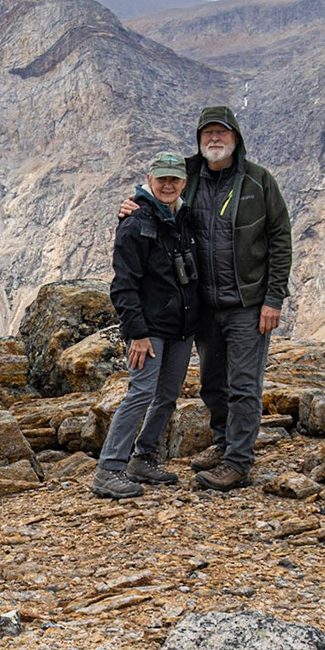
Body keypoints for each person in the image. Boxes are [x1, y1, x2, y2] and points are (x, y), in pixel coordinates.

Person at [120, 106, 292, 490]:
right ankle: (222, 443)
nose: (215, 139)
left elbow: (280, 239)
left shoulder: (258, 182)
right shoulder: (188, 175)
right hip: (203, 305)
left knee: (244, 384)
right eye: (208, 133)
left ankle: (238, 463)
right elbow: (154, 196)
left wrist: (274, 298)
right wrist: (129, 208)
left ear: (236, 138)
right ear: (199, 140)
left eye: (222, 133)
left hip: (248, 304)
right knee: (213, 383)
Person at [91, 151, 200, 500]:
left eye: (175, 179)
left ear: (183, 182)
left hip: (181, 325)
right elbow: (123, 285)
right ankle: (109, 469)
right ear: (150, 180)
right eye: (162, 179)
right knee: (141, 392)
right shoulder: (135, 223)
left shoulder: (184, 217)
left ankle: (143, 458)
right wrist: (136, 333)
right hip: (149, 328)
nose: (168, 185)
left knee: (167, 395)